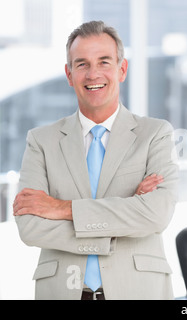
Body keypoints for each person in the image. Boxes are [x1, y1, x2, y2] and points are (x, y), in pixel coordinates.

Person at [12, 20, 178, 300]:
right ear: (69, 74)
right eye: (82, 64)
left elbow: (156, 214)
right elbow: (31, 227)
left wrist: (61, 208)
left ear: (121, 69)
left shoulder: (156, 134)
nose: (93, 74)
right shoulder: (41, 141)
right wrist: (122, 220)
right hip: (62, 291)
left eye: (104, 62)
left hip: (138, 291)